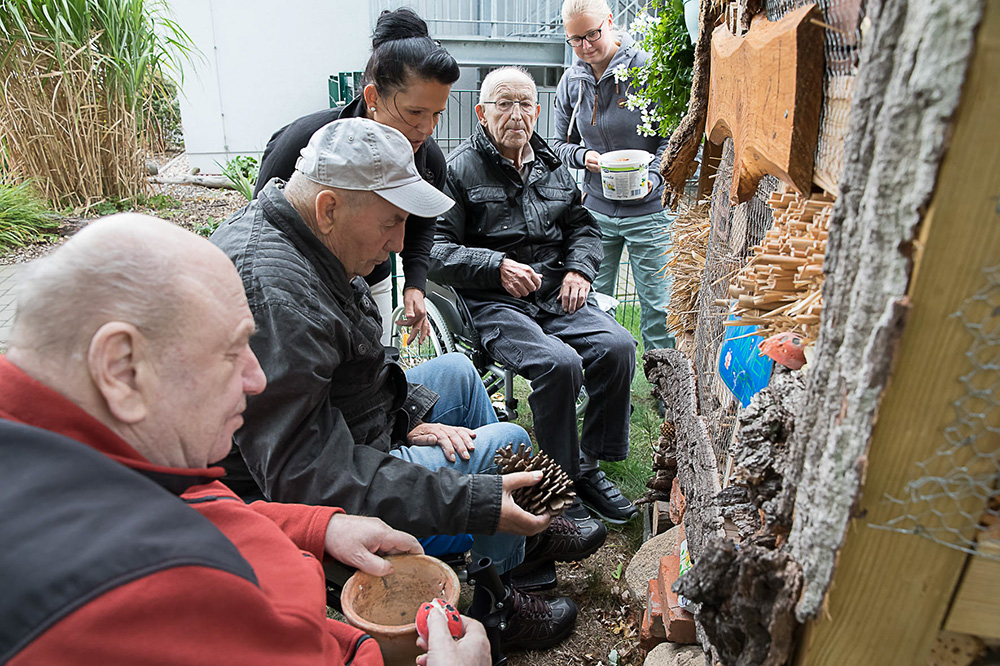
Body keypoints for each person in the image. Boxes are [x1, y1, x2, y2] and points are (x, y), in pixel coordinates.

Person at [0, 214, 489, 665]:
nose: (256, 379)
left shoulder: (74, 447)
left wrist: (316, 528)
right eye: (231, 350)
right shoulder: (139, 599)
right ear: (122, 368)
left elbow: (191, 504)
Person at [213, 117, 582, 650]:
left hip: (344, 429)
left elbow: (345, 381)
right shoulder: (276, 294)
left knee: (457, 374)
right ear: (329, 207)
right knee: (507, 444)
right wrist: (475, 499)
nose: (399, 243)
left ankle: (509, 551)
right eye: (392, 221)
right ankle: (493, 603)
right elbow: (305, 478)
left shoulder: (300, 230)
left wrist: (405, 418)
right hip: (307, 482)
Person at [428, 66, 639, 525]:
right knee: (558, 364)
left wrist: (580, 269)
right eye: (504, 104)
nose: (516, 114)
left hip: (552, 290)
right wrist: (495, 265)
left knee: (619, 346)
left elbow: (583, 227)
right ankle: (557, 484)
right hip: (493, 300)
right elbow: (436, 250)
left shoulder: (553, 166)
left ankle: (587, 466)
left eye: (525, 104)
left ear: (537, 111)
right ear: (482, 113)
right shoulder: (458, 170)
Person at [255, 8, 456, 346]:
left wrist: (415, 284)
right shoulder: (302, 139)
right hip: (299, 284)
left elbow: (423, 225)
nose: (427, 128)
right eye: (414, 112)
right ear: (373, 97)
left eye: (437, 114)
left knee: (377, 361)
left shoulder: (430, 159)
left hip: (372, 280)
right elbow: (265, 218)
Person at [552, 0, 675, 355]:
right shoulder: (571, 81)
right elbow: (558, 144)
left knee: (659, 307)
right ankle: (602, 375)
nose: (585, 46)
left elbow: (672, 138)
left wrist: (654, 176)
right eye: (575, 39)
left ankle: (665, 379)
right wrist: (581, 156)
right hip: (596, 212)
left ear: (609, 21)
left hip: (650, 211)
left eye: (592, 34)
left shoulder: (647, 69)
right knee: (592, 302)